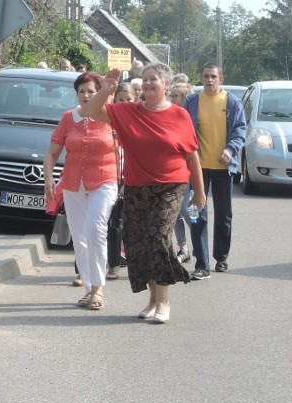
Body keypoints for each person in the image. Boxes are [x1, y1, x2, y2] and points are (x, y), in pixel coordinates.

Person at [81, 64, 205, 324]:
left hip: (171, 186)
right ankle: (151, 299)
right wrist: (105, 90)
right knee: (139, 245)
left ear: (166, 85)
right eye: (145, 80)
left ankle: (164, 302)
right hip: (137, 187)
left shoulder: (180, 116)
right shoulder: (128, 112)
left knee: (158, 239)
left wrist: (199, 192)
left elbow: (192, 155)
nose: (148, 84)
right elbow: (89, 112)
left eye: (154, 80)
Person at [44, 73, 118, 310]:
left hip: (105, 181)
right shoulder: (69, 118)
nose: (86, 96)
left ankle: (98, 288)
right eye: (81, 92)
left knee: (94, 229)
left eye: (91, 91)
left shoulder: (111, 117)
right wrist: (48, 179)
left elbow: (128, 149)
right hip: (73, 184)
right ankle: (89, 288)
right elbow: (52, 153)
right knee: (79, 237)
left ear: (100, 93)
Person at [183, 64, 246, 278]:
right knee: (196, 214)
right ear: (200, 78)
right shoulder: (191, 102)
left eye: (214, 77)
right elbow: (181, 130)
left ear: (221, 78)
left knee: (223, 215)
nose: (210, 80)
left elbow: (240, 131)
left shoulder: (232, 102)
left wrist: (230, 150)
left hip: (223, 168)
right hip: (197, 168)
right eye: (206, 77)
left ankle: (221, 257)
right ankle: (202, 264)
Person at [169, 82, 195, 263]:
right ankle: (183, 248)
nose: (171, 99)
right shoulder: (168, 115)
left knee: (188, 211)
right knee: (175, 212)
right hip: (172, 171)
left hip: (187, 171)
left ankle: (200, 244)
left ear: (184, 99)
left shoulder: (188, 118)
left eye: (175, 96)